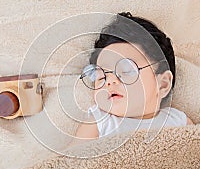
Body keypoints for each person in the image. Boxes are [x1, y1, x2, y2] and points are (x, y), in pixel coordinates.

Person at [75, 12, 193, 140]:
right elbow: (72, 158)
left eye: (126, 71)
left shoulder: (178, 121)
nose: (110, 81)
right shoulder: (100, 123)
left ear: (163, 84)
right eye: (101, 78)